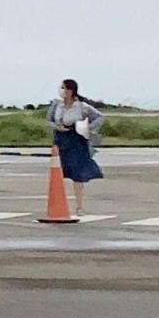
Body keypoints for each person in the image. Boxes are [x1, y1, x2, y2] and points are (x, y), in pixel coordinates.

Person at [47, 79, 106, 218]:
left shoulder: (82, 106)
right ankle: (59, 203)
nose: (62, 91)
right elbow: (49, 120)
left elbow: (99, 117)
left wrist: (87, 128)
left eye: (65, 88)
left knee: (77, 174)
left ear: (71, 90)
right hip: (61, 139)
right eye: (61, 88)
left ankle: (79, 206)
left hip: (76, 139)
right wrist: (57, 127)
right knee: (59, 172)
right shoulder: (56, 105)